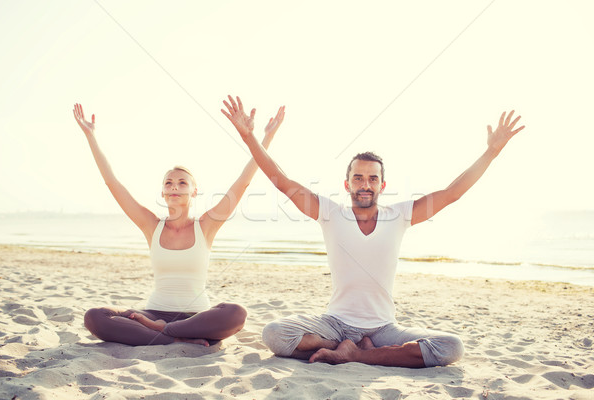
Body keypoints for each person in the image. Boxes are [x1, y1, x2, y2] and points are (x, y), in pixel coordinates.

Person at [223, 95, 525, 367]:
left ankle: (355, 354)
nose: (364, 184)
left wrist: (492, 153)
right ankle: (342, 347)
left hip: (383, 329)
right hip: (335, 324)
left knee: (451, 347)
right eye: (358, 177)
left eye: (371, 178)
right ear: (347, 184)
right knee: (274, 334)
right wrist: (250, 137)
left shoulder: (400, 216)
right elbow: (282, 181)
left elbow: (451, 193)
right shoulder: (330, 214)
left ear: (382, 185)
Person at [74, 100, 285, 346]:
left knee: (236, 314)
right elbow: (113, 183)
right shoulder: (150, 225)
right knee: (95, 317)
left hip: (197, 317)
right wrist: (91, 136)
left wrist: (265, 138)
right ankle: (176, 337)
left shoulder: (206, 225)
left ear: (194, 192)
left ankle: (168, 332)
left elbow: (243, 182)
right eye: (168, 183)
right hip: (152, 314)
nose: (174, 186)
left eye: (182, 183)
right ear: (163, 193)